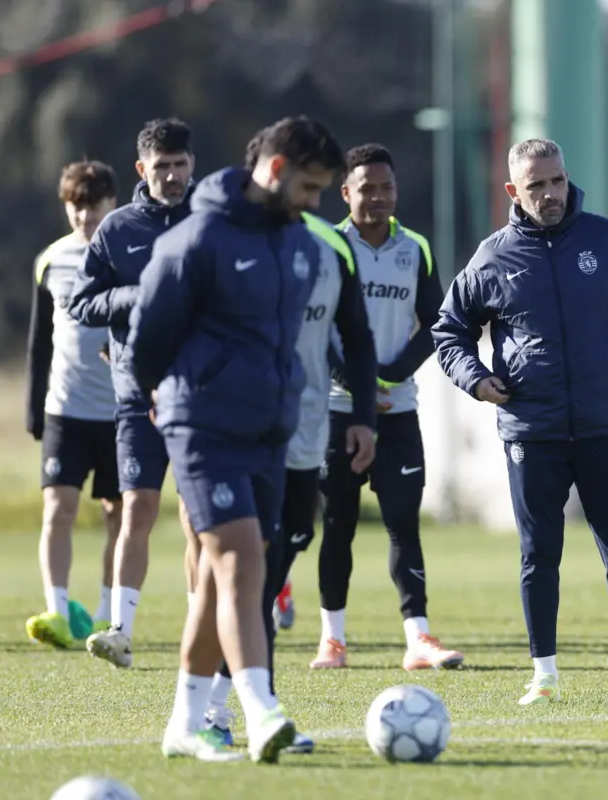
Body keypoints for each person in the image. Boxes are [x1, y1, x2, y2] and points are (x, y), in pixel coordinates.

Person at [433, 138, 608, 706]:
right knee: (537, 555)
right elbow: (448, 329)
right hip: (532, 431)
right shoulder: (492, 257)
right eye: (536, 186)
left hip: (606, 424)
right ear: (512, 191)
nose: (550, 194)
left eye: (556, 180)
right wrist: (475, 378)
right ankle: (544, 676)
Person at [128, 116, 346, 762]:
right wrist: (174, 400)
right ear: (275, 171)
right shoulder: (196, 240)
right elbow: (146, 343)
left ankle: (184, 725)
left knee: (218, 584)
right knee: (240, 563)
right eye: (309, 188)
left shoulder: (301, 246)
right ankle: (260, 707)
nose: (314, 204)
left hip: (268, 431)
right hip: (201, 426)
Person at [198, 130, 379, 756]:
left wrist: (362, 416)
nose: (313, 202)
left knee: (277, 564)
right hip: (231, 433)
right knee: (253, 574)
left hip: (305, 436)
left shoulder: (327, 250)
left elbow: (356, 338)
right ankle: (241, 713)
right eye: (308, 187)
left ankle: (212, 710)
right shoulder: (218, 243)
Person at [309, 143, 462, 672]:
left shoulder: (414, 248)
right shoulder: (326, 246)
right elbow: (316, 325)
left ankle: (418, 638)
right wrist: (352, 380)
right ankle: (332, 640)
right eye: (366, 188)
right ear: (346, 191)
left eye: (386, 188)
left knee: (403, 524)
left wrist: (392, 375)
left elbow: (436, 325)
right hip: (338, 409)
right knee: (340, 524)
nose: (377, 197)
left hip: (397, 411)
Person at [69, 118, 199, 667]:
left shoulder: (212, 221)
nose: (171, 176)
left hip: (200, 397)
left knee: (198, 518)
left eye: (180, 165)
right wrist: (132, 297)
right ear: (142, 170)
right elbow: (82, 303)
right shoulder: (118, 228)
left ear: (193, 165)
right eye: (161, 167)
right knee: (136, 509)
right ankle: (121, 629)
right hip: (137, 398)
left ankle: (205, 624)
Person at [24, 160, 123, 648]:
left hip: (122, 413)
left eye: (94, 205)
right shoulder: (51, 259)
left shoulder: (130, 254)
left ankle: (107, 614)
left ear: (113, 202)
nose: (85, 217)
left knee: (118, 515)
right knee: (58, 510)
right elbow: (40, 343)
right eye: (76, 207)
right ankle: (58, 611)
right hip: (65, 410)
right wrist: (32, 409)